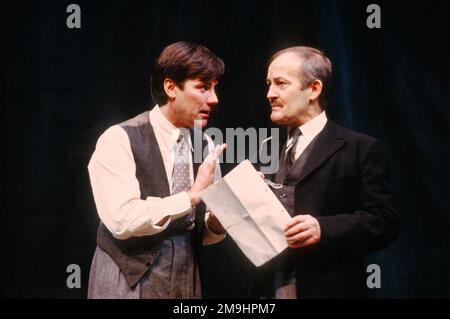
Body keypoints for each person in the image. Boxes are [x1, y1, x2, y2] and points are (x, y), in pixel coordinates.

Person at [254, 46, 400, 298]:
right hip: (268, 289)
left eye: (280, 84)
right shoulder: (266, 150)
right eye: (268, 84)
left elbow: (384, 221)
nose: (270, 93)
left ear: (314, 89)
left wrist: (323, 229)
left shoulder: (359, 148)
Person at [87, 41, 227, 299]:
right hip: (128, 275)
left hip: (185, 273)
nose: (214, 99)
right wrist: (191, 197)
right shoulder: (119, 138)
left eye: (215, 89)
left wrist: (218, 221)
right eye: (203, 88)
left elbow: (200, 229)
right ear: (171, 87)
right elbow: (122, 219)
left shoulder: (205, 144)